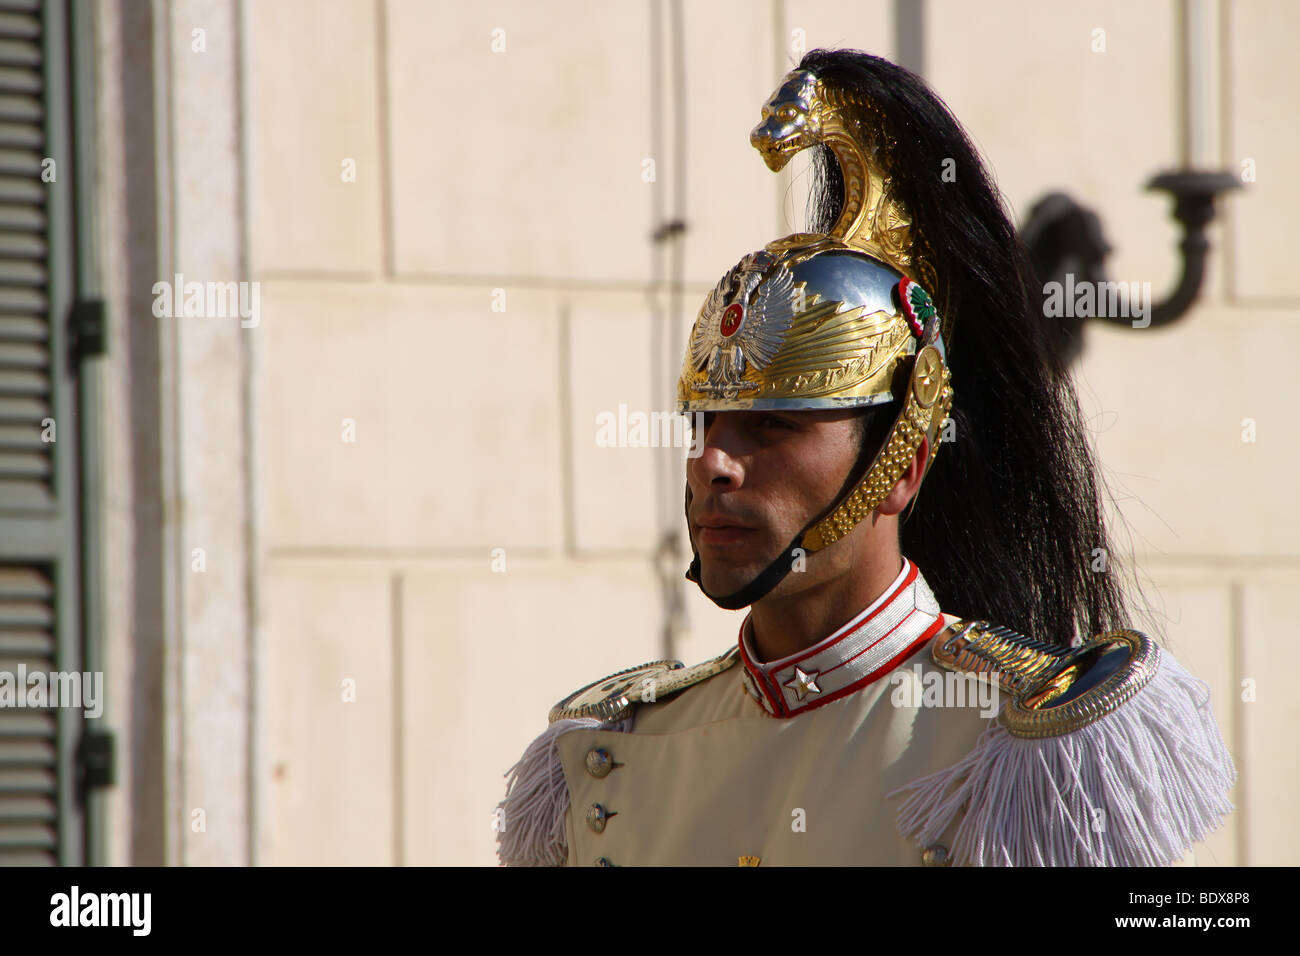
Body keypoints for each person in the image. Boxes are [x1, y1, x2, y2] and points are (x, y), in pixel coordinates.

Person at [495, 49, 1235, 867]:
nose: (713, 464)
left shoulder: (1030, 747)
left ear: (904, 467)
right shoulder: (610, 756)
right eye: (706, 426)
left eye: (773, 428)